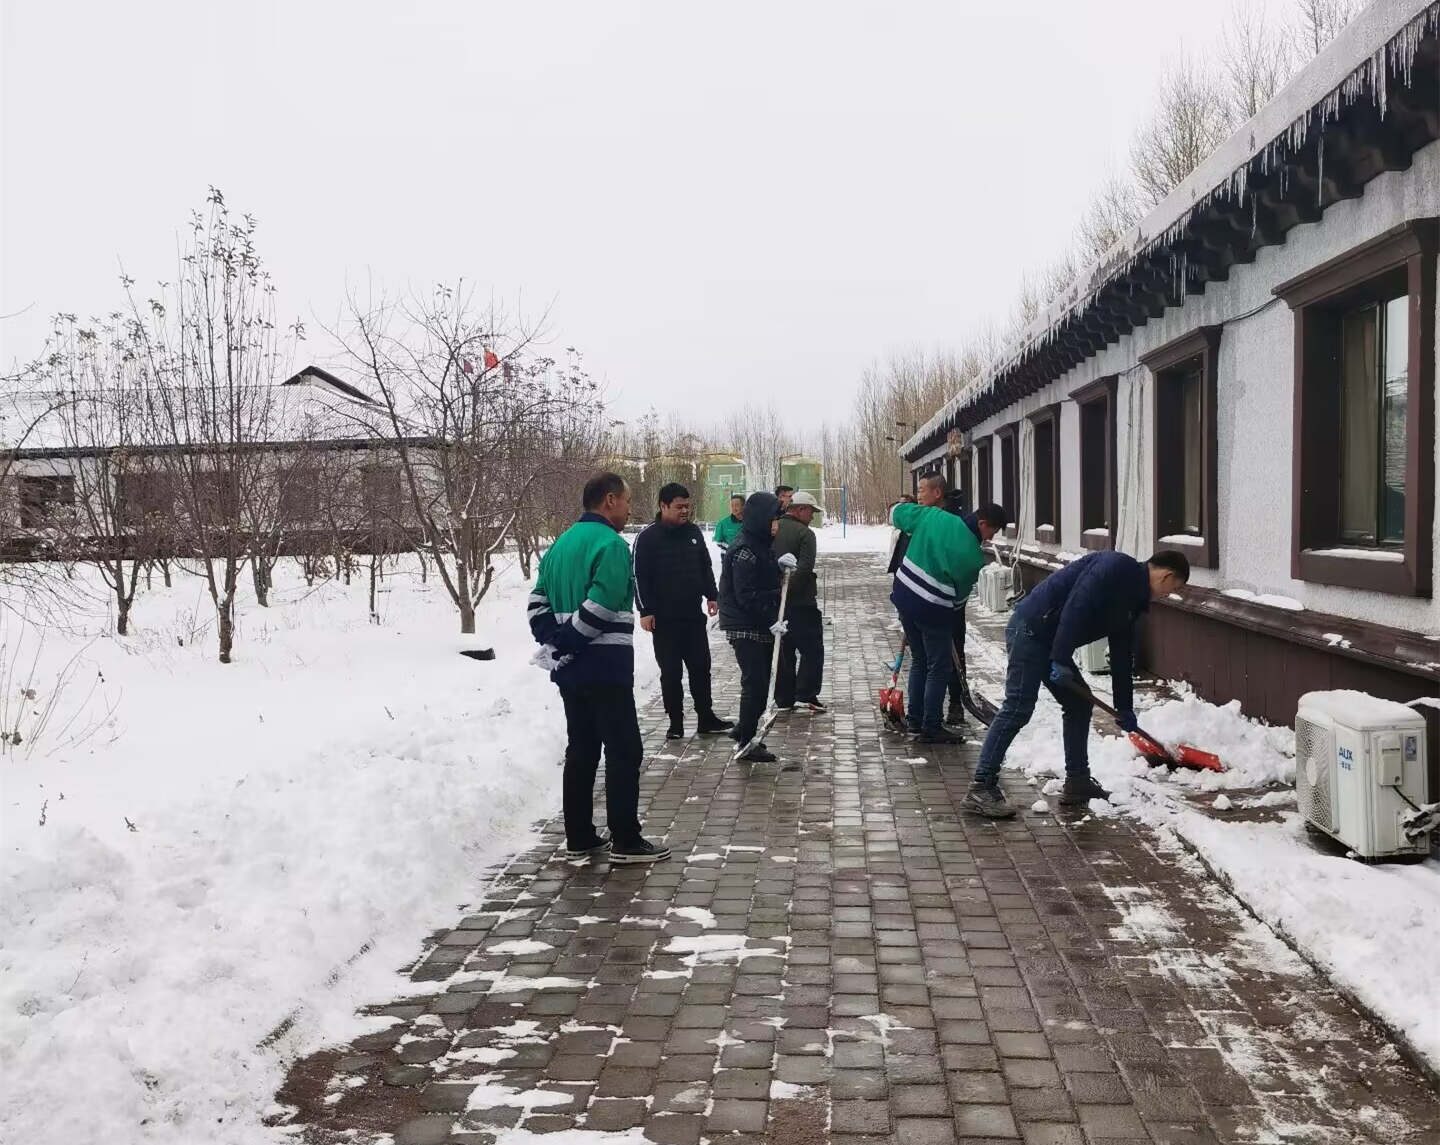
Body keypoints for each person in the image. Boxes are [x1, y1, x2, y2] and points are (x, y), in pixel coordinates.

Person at [965, 549, 1192, 818]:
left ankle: (1077, 781)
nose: (1165, 595)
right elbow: (1077, 604)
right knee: (1018, 707)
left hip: (1048, 639)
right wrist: (1060, 658)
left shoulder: (1132, 602)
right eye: (1171, 589)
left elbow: (1121, 655)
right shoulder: (1115, 567)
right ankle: (981, 786)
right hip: (1030, 629)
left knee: (1079, 705)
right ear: (1166, 576)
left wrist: (1124, 707)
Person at [528, 473, 670, 864]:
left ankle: (581, 835)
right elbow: (603, 603)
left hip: (569, 670)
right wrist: (571, 640)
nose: (628, 509)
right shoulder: (611, 545)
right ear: (609, 500)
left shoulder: (560, 544)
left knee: (583, 748)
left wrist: (555, 641)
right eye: (626, 501)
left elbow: (536, 601)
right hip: (604, 665)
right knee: (624, 749)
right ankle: (625, 838)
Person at [633, 482, 734, 741]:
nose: (685, 511)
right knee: (671, 673)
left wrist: (711, 595)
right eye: (679, 506)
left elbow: (704, 566)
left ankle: (706, 718)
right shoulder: (647, 538)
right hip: (664, 621)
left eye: (688, 506)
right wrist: (645, 610)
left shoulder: (693, 533)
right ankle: (675, 723)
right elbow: (639, 578)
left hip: (692, 616)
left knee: (701, 668)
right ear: (663, 506)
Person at [889, 482, 985, 744]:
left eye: (922, 491)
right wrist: (950, 614)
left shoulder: (926, 516)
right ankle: (931, 726)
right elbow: (961, 597)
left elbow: (894, 513)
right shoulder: (973, 553)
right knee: (938, 665)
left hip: (904, 597)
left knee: (920, 661)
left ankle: (916, 721)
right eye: (918, 491)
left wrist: (904, 508)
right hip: (933, 606)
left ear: (937, 494)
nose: (919, 495)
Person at [718, 491, 797, 763]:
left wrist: (776, 566)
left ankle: (744, 726)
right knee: (756, 682)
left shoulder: (759, 543)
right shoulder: (744, 550)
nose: (776, 526)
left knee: (758, 680)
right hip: (744, 624)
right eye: (773, 520)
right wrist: (770, 619)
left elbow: (760, 577)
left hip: (755, 622)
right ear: (760, 519)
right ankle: (747, 740)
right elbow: (746, 594)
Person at [943, 498, 1010, 728]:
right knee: (939, 658)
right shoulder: (965, 541)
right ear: (983, 523)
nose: (991, 538)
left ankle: (952, 704)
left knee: (949, 655)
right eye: (993, 531)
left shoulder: (964, 530)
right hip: (942, 601)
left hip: (944, 600)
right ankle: (949, 706)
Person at [773, 490, 825, 714]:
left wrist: (774, 593)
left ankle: (784, 697)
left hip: (775, 603)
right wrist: (788, 589)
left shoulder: (771, 529)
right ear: (801, 509)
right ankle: (805, 693)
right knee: (812, 649)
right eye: (811, 511)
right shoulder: (805, 534)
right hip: (801, 603)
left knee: (784, 649)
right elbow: (803, 569)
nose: (812, 516)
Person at [886, 492, 918, 575]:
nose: (901, 507)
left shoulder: (913, 528)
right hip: (898, 564)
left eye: (904, 504)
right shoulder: (898, 529)